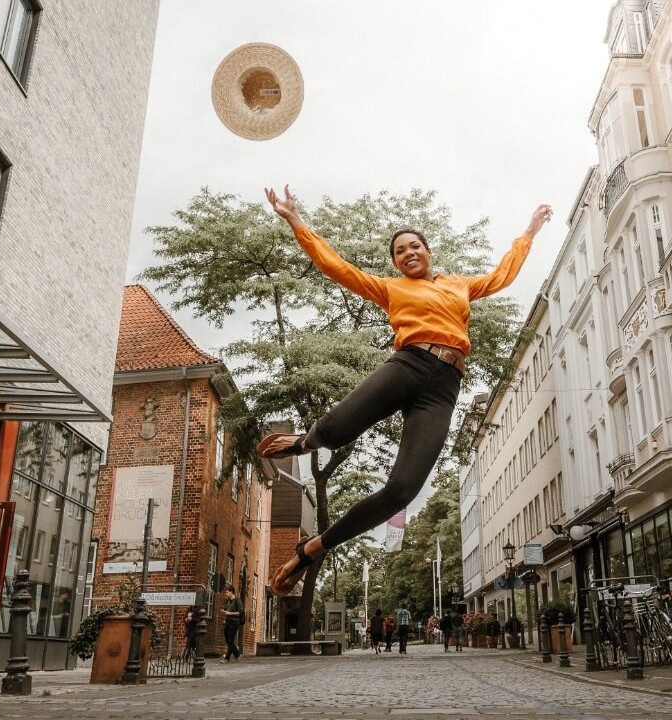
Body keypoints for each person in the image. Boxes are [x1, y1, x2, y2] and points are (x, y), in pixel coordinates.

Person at [261, 185, 551, 594]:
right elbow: (336, 267)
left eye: (415, 246)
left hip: (445, 386)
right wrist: (294, 219)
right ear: (395, 262)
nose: (409, 252)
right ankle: (305, 441)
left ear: (429, 251)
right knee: (339, 428)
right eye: (400, 251)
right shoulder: (390, 288)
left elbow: (501, 275)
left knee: (402, 491)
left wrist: (529, 234)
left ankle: (310, 550)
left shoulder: (459, 286)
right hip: (409, 365)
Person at [220, 586, 244, 663]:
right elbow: (226, 611)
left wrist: (229, 613)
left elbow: (240, 612)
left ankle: (227, 658)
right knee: (228, 640)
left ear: (231, 592)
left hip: (235, 622)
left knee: (230, 640)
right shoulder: (227, 601)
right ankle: (237, 653)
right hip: (228, 622)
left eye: (227, 592)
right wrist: (224, 615)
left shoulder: (238, 600)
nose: (225, 594)